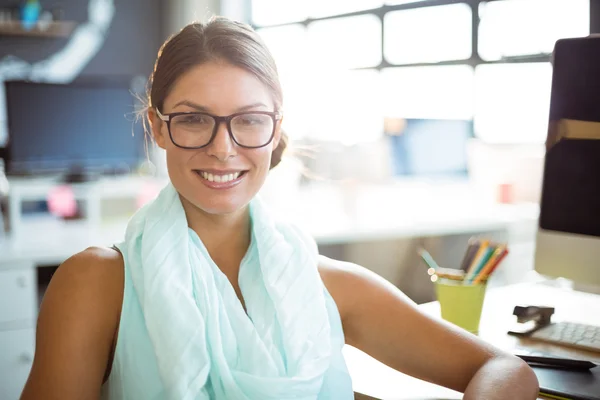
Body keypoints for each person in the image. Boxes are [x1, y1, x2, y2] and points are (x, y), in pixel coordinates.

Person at [20, 16, 539, 400]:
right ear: (157, 127)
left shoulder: (329, 285)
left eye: (248, 120)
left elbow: (505, 371)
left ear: (276, 129)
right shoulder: (95, 283)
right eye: (194, 119)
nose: (223, 148)